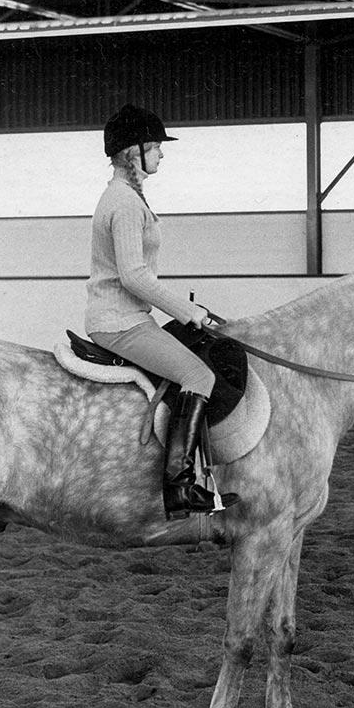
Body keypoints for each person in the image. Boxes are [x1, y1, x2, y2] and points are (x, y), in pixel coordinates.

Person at [86, 103, 239, 519]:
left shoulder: (128, 197)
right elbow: (134, 277)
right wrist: (186, 311)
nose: (161, 154)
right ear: (132, 152)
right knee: (197, 375)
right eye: (154, 146)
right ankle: (179, 486)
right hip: (119, 321)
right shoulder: (124, 203)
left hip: (130, 316)